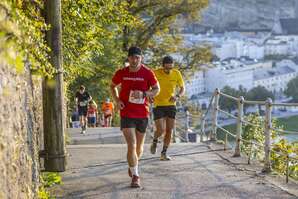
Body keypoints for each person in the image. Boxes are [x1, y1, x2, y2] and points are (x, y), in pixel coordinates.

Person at [110, 46, 160, 188]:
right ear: (128, 58)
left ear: (141, 58)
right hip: (126, 113)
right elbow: (112, 86)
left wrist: (145, 94)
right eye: (132, 57)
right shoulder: (122, 72)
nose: (134, 60)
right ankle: (136, 176)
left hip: (142, 114)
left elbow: (157, 89)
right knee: (131, 145)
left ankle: (133, 165)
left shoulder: (147, 73)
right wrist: (117, 100)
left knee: (139, 148)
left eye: (137, 57)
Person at [150, 55, 185, 161]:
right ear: (163, 66)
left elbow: (183, 88)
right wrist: (150, 96)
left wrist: (177, 96)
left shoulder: (176, 73)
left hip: (171, 105)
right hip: (158, 104)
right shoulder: (155, 73)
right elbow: (148, 86)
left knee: (169, 130)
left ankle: (164, 153)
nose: (168, 70)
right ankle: (155, 140)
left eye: (170, 68)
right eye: (166, 68)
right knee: (160, 130)